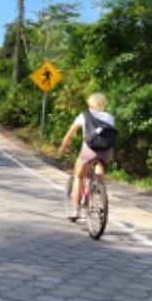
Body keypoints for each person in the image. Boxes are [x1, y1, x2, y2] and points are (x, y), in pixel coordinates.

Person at [58, 93, 116, 221]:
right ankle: (99, 186)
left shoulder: (84, 116)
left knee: (78, 176)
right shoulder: (110, 117)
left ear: (90, 104)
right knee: (99, 164)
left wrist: (63, 147)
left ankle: (76, 209)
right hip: (106, 152)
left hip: (88, 151)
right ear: (104, 105)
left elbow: (70, 134)